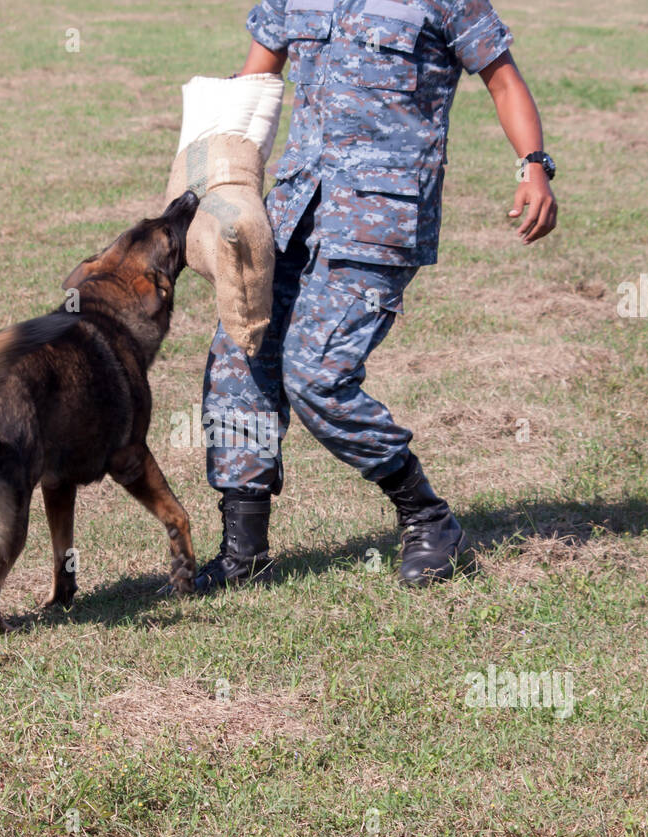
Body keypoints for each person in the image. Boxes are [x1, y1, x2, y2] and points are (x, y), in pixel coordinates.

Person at [195, 0, 557, 590]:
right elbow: (255, 81)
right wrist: (212, 177)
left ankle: (428, 517)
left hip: (378, 219)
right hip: (290, 209)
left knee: (316, 375)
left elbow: (503, 79)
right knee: (240, 354)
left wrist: (534, 166)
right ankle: (243, 552)